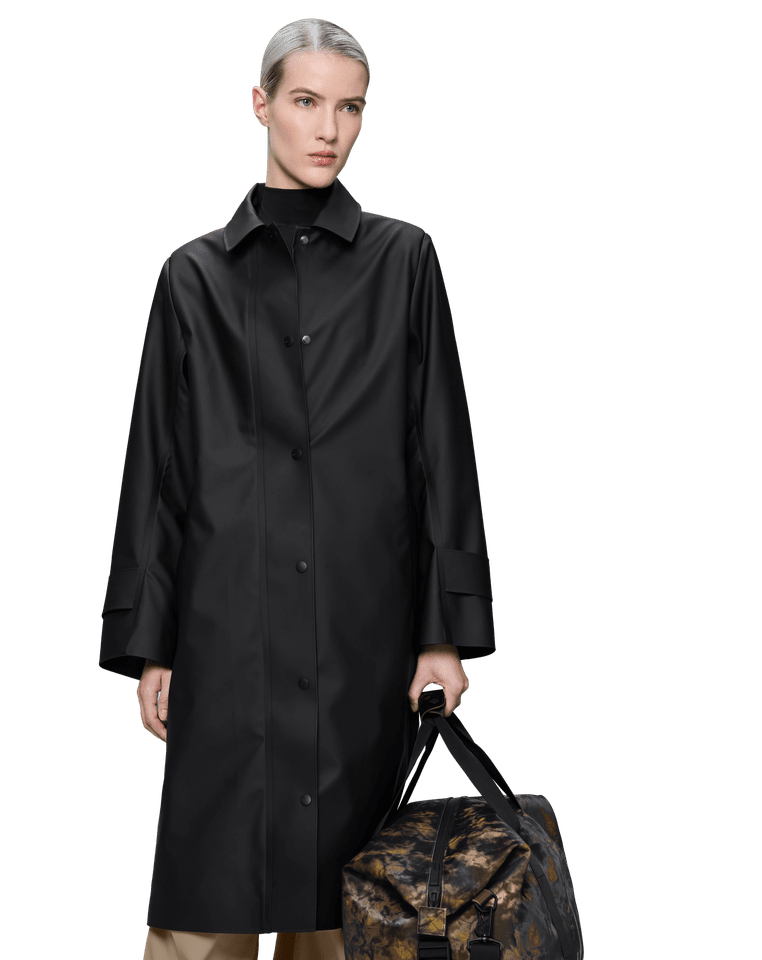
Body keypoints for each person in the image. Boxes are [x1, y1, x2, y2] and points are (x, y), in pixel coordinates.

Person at [97, 17, 496, 960]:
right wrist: (151, 645)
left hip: (364, 641)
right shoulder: (191, 276)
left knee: (350, 919)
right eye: (308, 101)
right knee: (201, 921)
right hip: (224, 640)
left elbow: (443, 450)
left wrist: (443, 635)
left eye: (350, 108)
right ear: (260, 104)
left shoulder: (405, 261)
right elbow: (159, 467)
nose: (329, 129)